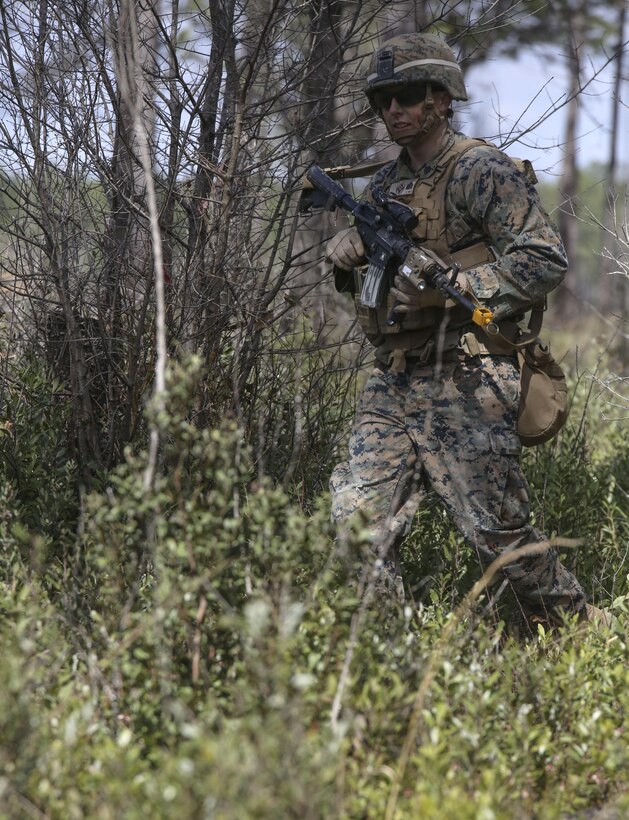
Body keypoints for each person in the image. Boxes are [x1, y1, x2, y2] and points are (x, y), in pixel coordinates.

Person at [325, 32, 591, 626]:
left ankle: (588, 635)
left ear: (443, 99)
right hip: (392, 381)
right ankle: (383, 661)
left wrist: (463, 287)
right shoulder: (384, 185)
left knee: (502, 541)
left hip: (466, 376)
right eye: (381, 100)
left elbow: (544, 259)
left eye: (407, 95)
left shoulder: (480, 170)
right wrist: (348, 257)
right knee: (354, 529)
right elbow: (372, 282)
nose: (393, 109)